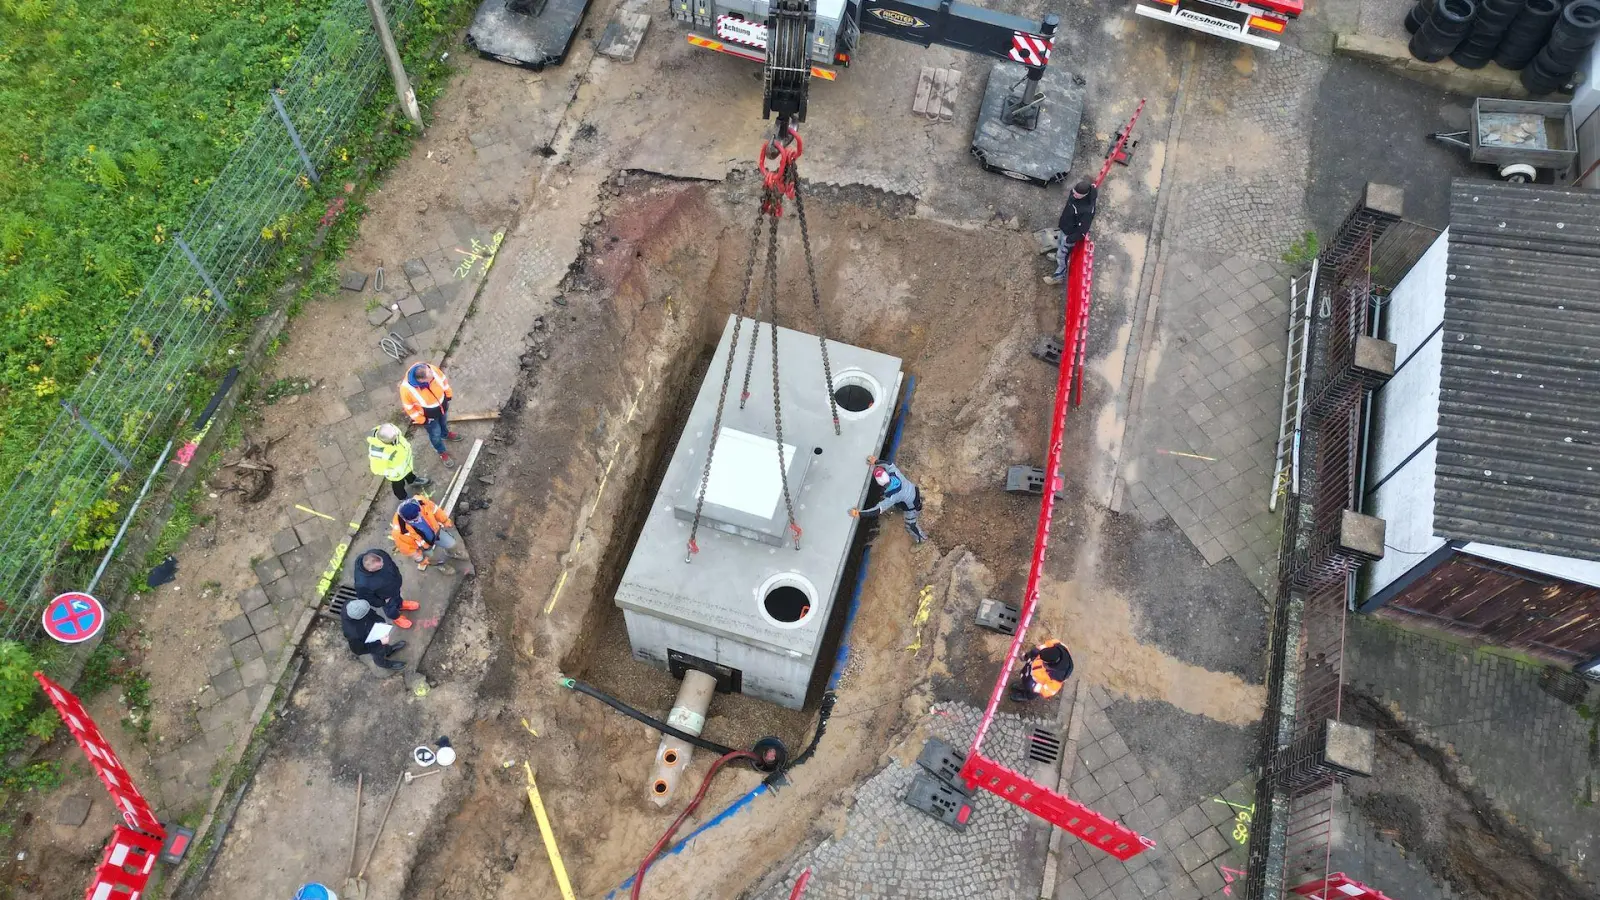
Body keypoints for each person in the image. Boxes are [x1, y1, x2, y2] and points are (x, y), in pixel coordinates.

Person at [848, 455, 927, 544]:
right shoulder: (895, 473)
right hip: (914, 492)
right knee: (900, 501)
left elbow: (877, 510)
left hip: (912, 507)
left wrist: (858, 513)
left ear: (880, 483)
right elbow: (888, 464)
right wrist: (876, 462)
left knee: (910, 526)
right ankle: (905, 506)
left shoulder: (892, 497)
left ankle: (921, 540)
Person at [399, 362, 462, 469]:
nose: (433, 377)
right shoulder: (406, 389)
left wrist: (448, 395)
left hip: (442, 408)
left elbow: (444, 382)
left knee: (443, 423)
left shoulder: (431, 370)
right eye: (429, 378)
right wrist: (422, 420)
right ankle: (441, 451)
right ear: (421, 380)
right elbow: (409, 408)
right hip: (428, 418)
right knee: (435, 435)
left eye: (431, 373)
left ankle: (445, 434)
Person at [392, 496, 466, 575]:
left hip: (436, 532)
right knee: (433, 559)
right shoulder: (399, 533)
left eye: (419, 513)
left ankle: (451, 553)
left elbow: (436, 511)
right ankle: (441, 566)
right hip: (424, 547)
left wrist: (445, 521)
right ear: (406, 519)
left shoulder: (421, 501)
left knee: (452, 544)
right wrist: (421, 559)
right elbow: (409, 550)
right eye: (415, 519)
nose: (419, 517)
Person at [1045, 180, 1098, 285]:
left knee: (1063, 254)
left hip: (1070, 235)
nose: (1073, 195)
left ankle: (1059, 275)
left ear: (1084, 195)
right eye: (1073, 192)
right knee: (1060, 244)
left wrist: (1069, 239)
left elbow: (1082, 231)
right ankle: (1057, 256)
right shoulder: (1076, 195)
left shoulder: (1087, 211)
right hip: (1064, 227)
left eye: (1076, 195)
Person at [353, 548, 420, 630]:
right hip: (386, 598)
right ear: (370, 570)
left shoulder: (377, 553)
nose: (382, 564)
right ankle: (396, 618)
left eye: (382, 562)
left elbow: (391, 563)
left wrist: (397, 576)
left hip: (395, 587)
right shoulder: (362, 584)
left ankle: (400, 604)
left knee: (397, 596)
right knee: (390, 608)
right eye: (380, 566)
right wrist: (382, 602)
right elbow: (367, 598)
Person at [367, 423, 431, 501]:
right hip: (397, 474)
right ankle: (403, 498)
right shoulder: (378, 453)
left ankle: (412, 481)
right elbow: (376, 469)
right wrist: (394, 472)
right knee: (398, 486)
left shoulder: (391, 430)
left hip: (405, 464)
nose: (397, 437)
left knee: (409, 473)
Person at [341, 597, 407, 671]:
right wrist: (380, 642)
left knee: (384, 645)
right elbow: (358, 650)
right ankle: (385, 664)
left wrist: (380, 621)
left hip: (373, 630)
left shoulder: (351, 604)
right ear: (359, 617)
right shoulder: (353, 634)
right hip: (368, 641)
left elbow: (370, 613)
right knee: (378, 653)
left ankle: (389, 650)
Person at [1009, 639, 1074, 702]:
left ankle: (1025, 696)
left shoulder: (1056, 679)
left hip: (1035, 686)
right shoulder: (1056, 644)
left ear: (1051, 666)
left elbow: (1048, 691)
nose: (1041, 661)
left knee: (1031, 693)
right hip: (1031, 670)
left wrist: (1034, 686)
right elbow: (1041, 648)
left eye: (1044, 663)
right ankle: (1023, 685)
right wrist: (1029, 655)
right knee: (1025, 680)